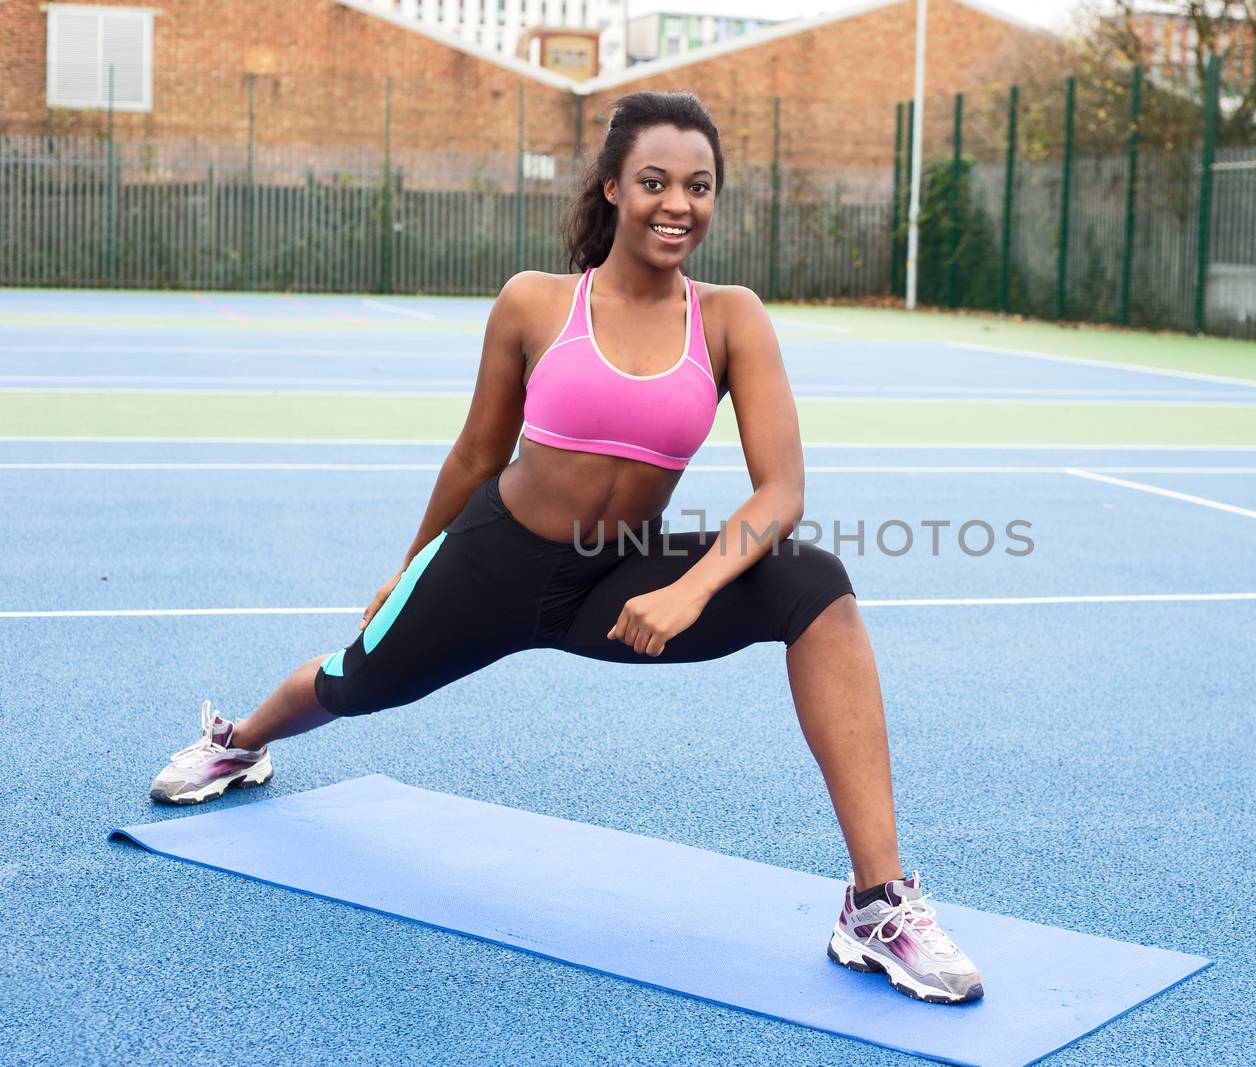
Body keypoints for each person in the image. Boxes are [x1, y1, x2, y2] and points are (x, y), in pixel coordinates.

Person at [149, 91, 982, 1005]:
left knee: (815, 584)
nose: (679, 204)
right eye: (656, 182)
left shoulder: (732, 319)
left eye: (699, 187)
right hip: (492, 563)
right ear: (614, 188)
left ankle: (875, 901)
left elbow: (781, 490)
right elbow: (476, 453)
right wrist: (409, 565)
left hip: (617, 576)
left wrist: (692, 589)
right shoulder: (536, 303)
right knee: (355, 680)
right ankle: (242, 742)